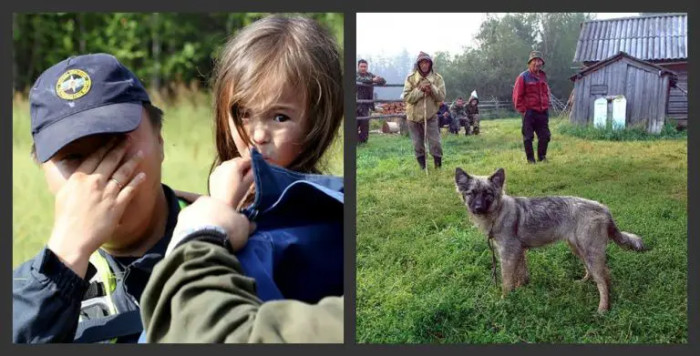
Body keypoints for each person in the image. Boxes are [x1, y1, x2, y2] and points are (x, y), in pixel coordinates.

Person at [139, 15, 344, 342]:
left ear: (319, 119)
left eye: (280, 117)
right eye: (244, 113)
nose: (258, 135)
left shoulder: (325, 222)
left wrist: (210, 225)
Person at [13, 53, 191, 343]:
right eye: (73, 157)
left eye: (115, 144)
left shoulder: (227, 239)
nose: (99, 177)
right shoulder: (25, 295)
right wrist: (63, 265)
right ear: (43, 173)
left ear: (159, 141)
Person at [402, 51, 446, 170]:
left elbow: (441, 96)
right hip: (413, 117)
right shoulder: (411, 78)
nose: (424, 65)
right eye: (422, 63)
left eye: (426, 62)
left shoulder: (437, 78)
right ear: (418, 64)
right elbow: (407, 97)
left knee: (435, 143)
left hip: (431, 115)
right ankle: (423, 167)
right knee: (417, 144)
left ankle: (438, 166)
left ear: (430, 64)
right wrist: (420, 90)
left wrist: (431, 87)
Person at [513, 50, 551, 163]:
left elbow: (546, 93)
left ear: (542, 63)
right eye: (534, 60)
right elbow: (517, 96)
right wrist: (524, 111)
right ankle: (530, 160)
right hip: (529, 112)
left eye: (539, 60)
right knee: (528, 137)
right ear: (529, 62)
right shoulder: (523, 77)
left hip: (542, 112)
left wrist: (546, 105)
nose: (537, 63)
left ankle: (542, 157)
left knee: (545, 136)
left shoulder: (543, 76)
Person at [356, 59, 386, 144]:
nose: (363, 68)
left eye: (365, 66)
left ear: (367, 67)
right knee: (354, 124)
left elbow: (383, 81)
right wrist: (372, 80)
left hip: (366, 104)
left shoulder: (370, 75)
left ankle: (363, 142)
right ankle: (355, 141)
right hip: (355, 103)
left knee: (365, 124)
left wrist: (378, 80)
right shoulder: (355, 74)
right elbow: (359, 80)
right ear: (358, 67)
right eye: (361, 66)